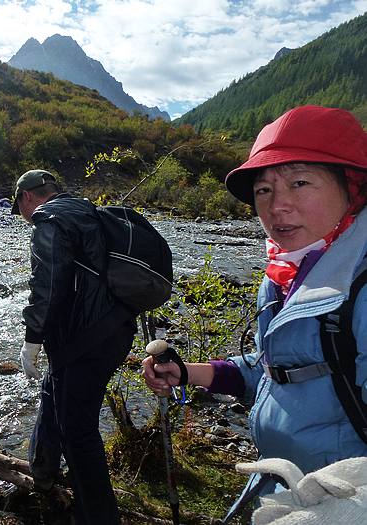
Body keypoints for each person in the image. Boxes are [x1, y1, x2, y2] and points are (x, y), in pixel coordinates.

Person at [142, 105, 367, 508]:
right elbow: (275, 369)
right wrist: (187, 372)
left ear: (353, 188)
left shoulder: (359, 285)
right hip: (285, 485)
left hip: (339, 499)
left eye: (299, 182)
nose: (276, 205)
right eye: (264, 189)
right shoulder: (285, 273)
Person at [12, 169, 136, 524]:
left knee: (78, 432)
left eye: (19, 206)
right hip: (113, 330)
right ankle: (43, 471)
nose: (23, 216)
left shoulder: (48, 219)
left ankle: (97, 517)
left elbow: (48, 286)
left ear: (27, 197)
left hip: (85, 339)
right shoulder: (87, 211)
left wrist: (32, 339)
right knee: (54, 392)